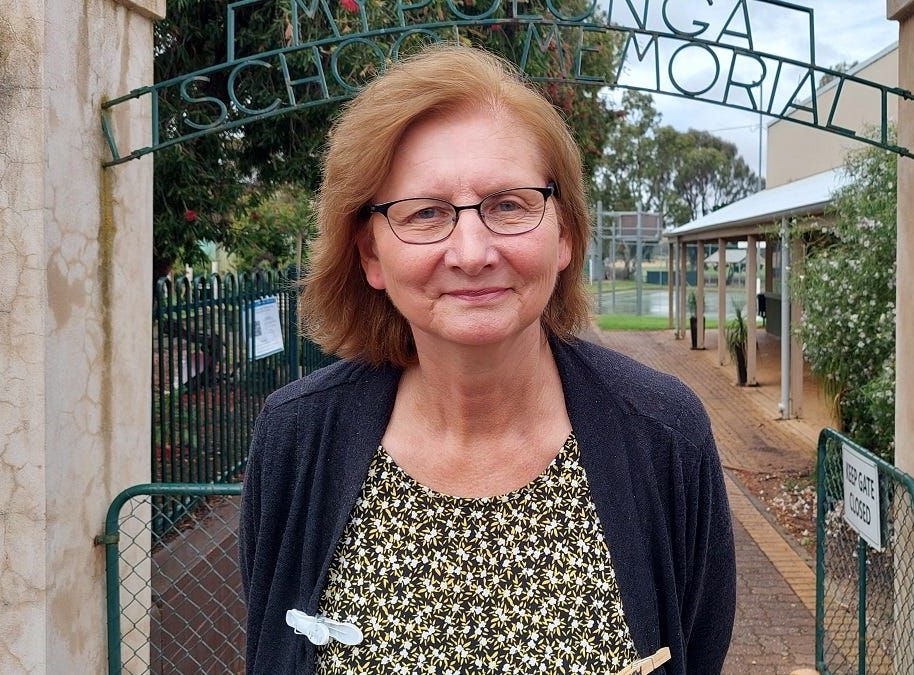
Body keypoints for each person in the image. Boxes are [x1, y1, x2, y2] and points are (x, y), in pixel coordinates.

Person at [239, 44, 735, 674]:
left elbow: (698, 648)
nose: (472, 252)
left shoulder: (663, 434)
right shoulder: (297, 438)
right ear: (369, 254)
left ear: (564, 234)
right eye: (424, 213)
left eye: (508, 205)